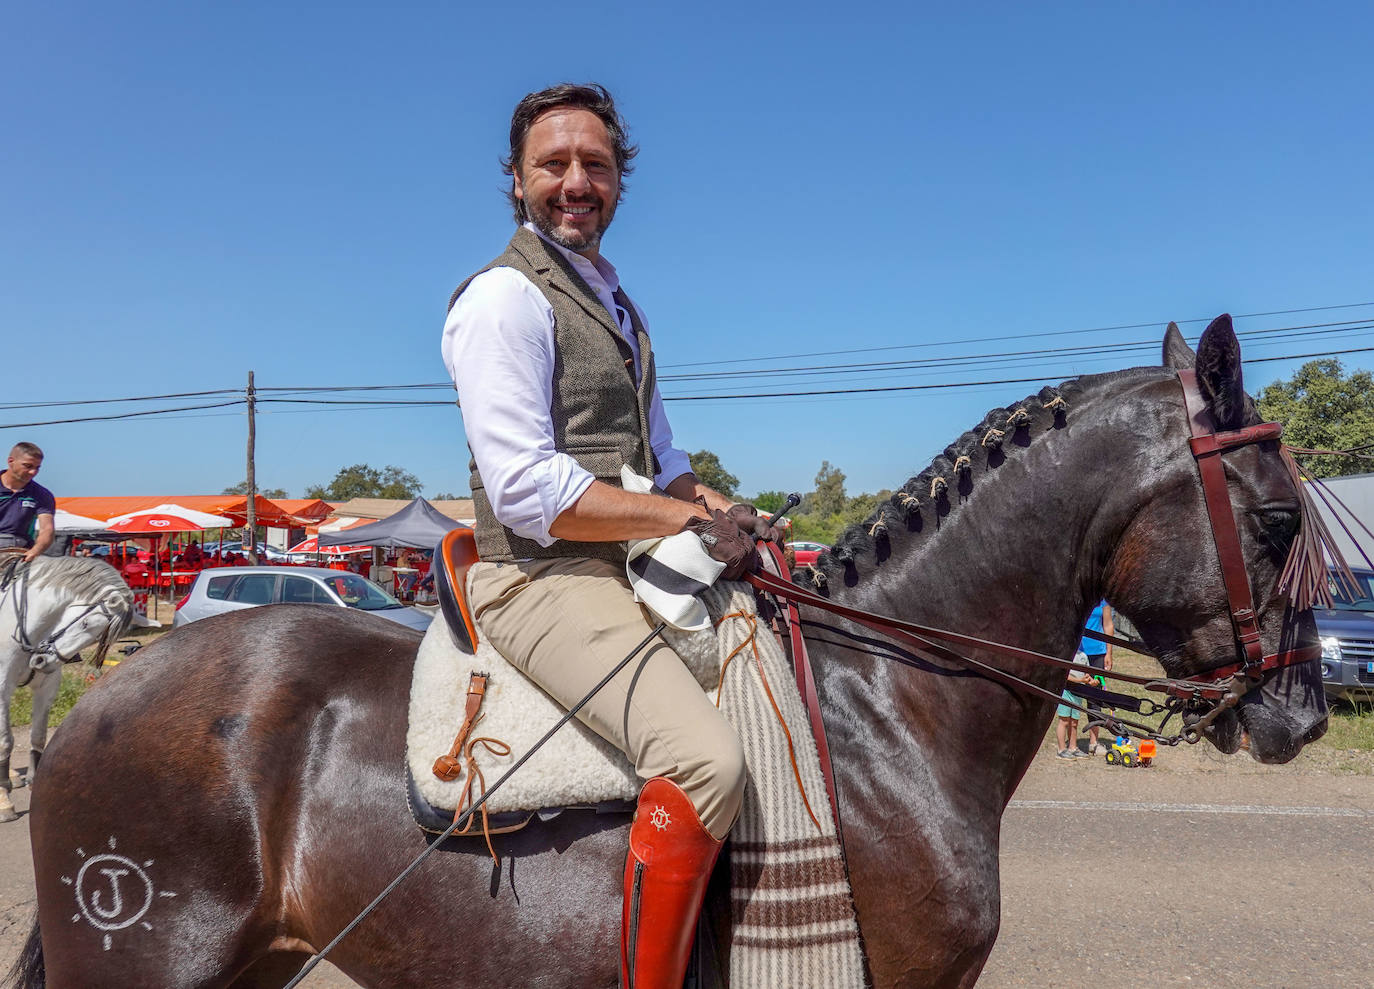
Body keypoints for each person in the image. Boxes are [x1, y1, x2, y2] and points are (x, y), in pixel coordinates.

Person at [442, 83, 776, 988]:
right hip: (541, 580)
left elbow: (661, 457)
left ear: (619, 180)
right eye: (553, 164)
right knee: (705, 760)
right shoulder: (504, 300)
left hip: (625, 559)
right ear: (517, 181)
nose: (575, 181)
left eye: (594, 164)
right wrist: (684, 518)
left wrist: (728, 510)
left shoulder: (621, 307)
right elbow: (525, 490)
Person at [0, 442, 56, 563]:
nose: (33, 472)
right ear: (11, 461)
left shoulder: (42, 495)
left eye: (37, 467)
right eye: (28, 466)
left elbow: (47, 529)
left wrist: (35, 551)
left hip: (20, 551)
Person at [1079, 601, 1114, 755]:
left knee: (1095, 697)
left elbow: (1108, 625)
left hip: (1098, 653)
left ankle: (1094, 742)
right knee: (1072, 695)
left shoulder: (1104, 601)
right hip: (1078, 652)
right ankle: (1070, 744)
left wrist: (1109, 653)